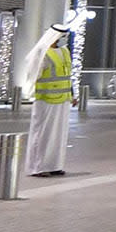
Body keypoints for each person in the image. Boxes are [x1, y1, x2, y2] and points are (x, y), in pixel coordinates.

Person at [24, 30, 72, 177]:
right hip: (45, 99)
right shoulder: (41, 52)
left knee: (59, 134)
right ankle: (37, 167)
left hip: (63, 98)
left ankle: (54, 165)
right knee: (42, 133)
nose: (62, 40)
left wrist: (72, 94)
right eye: (60, 37)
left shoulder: (64, 52)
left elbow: (67, 74)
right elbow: (32, 74)